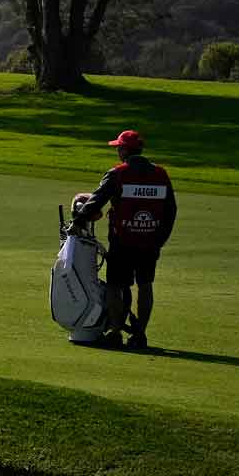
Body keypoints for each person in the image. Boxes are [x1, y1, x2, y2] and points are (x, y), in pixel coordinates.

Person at [76, 130, 177, 349]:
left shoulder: (117, 173)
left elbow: (96, 201)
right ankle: (140, 334)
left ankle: (114, 332)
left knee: (114, 286)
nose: (117, 151)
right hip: (150, 242)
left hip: (123, 241)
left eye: (118, 148)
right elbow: (171, 211)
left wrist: (78, 220)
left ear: (124, 151)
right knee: (145, 285)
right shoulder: (161, 174)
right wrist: (160, 239)